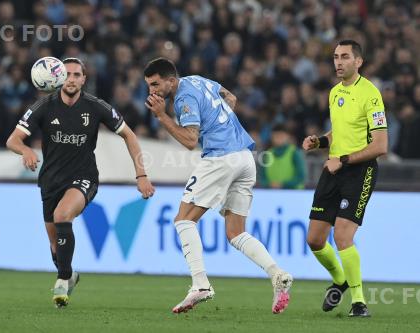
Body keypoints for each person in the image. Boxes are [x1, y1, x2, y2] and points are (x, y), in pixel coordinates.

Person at [143, 57, 293, 314]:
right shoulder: (198, 80)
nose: (152, 91)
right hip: (246, 158)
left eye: (156, 84)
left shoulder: (182, 98)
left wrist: (162, 116)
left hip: (221, 158)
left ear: (171, 80)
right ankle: (277, 274)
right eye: (148, 86)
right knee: (236, 233)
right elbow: (230, 97)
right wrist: (218, 121)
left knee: (183, 220)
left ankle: (200, 284)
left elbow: (190, 140)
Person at [6, 57, 155, 308]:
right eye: (68, 74)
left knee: (63, 215)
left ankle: (62, 280)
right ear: (59, 77)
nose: (72, 79)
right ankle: (69, 273)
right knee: (55, 245)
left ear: (84, 79)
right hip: (50, 181)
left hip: (84, 177)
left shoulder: (96, 107)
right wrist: (26, 151)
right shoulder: (43, 106)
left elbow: (129, 135)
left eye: (77, 75)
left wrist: (141, 175)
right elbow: (13, 140)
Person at [302, 40, 388, 317]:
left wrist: (345, 160)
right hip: (334, 168)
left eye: (345, 57)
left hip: (359, 172)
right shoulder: (334, 92)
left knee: (342, 236)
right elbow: (339, 131)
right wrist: (320, 141)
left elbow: (380, 145)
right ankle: (340, 280)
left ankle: (359, 303)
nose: (338, 62)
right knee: (315, 240)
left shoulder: (371, 94)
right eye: (336, 57)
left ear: (358, 62)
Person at [260, 123, 306, 189]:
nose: (278, 139)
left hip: (293, 194)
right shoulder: (267, 154)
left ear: (287, 136)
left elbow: (301, 177)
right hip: (272, 194)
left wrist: (283, 185)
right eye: (276, 136)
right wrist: (269, 184)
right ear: (271, 137)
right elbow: (262, 177)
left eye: (281, 136)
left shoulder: (295, 153)